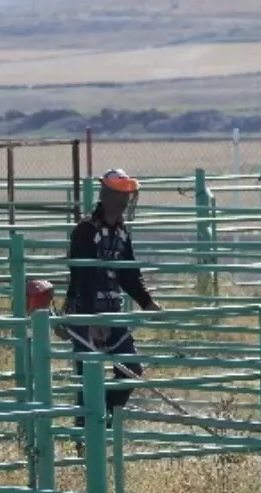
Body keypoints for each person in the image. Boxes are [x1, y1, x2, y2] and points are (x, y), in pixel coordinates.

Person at [64, 168, 161, 432]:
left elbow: (129, 271)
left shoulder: (122, 233)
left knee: (131, 369)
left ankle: (100, 419)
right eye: (120, 196)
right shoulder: (84, 231)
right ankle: (85, 435)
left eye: (127, 197)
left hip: (113, 311)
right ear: (106, 196)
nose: (124, 202)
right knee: (89, 377)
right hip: (85, 311)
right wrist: (93, 319)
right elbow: (82, 275)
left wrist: (146, 301)